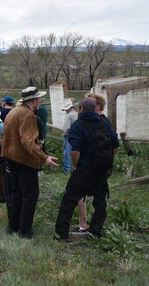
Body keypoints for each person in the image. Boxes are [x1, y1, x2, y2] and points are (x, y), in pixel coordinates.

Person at [55, 97, 119, 240]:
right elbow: (116, 146)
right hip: (101, 170)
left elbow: (75, 151)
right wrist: (102, 158)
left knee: (69, 199)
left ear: (81, 109)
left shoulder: (78, 125)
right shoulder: (104, 122)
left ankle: (62, 233)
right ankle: (95, 231)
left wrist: (76, 165)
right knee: (100, 201)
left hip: (84, 168)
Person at [1, 86, 58, 239]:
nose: (40, 101)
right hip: (24, 160)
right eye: (39, 99)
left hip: (12, 158)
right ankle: (24, 231)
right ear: (33, 101)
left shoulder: (14, 111)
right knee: (30, 195)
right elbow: (27, 141)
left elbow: (4, 136)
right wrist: (43, 157)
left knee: (16, 193)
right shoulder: (27, 115)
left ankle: (13, 227)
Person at [71, 93, 120, 233]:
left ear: (98, 106)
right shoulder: (93, 121)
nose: (86, 105)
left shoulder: (103, 122)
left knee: (88, 195)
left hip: (93, 167)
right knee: (88, 195)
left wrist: (99, 158)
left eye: (90, 102)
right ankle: (85, 225)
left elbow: (115, 146)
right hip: (96, 166)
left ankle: (89, 226)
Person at [61, 99, 78, 173]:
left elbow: (66, 128)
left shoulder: (69, 115)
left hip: (69, 135)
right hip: (76, 135)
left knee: (67, 153)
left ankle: (67, 169)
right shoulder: (76, 114)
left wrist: (64, 134)